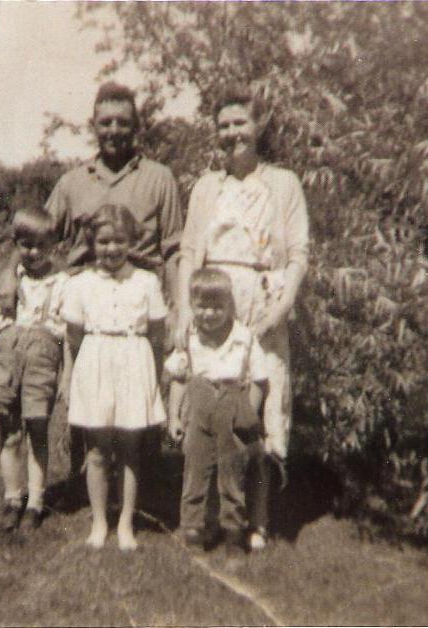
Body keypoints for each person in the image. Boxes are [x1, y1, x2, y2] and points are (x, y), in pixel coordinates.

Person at [0, 82, 183, 498]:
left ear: (136, 127)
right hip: (84, 302)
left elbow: (172, 250)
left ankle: (142, 481)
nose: (114, 130)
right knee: (83, 389)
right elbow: (37, 233)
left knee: (142, 390)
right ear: (93, 126)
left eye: (123, 122)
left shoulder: (160, 179)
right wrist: (9, 274)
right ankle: (85, 480)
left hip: (139, 297)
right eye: (105, 122)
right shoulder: (74, 181)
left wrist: (177, 310)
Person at [177, 86, 309, 547]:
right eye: (224, 125)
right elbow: (190, 252)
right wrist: (182, 314)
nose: (233, 132)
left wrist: (282, 305)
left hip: (262, 302)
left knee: (260, 407)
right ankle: (211, 515)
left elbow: (297, 254)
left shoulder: (284, 183)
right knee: (213, 406)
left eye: (241, 122)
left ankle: (258, 519)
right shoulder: (207, 186)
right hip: (213, 301)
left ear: (260, 126)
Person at [61, 204, 167, 550]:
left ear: (131, 242)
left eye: (119, 241)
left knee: (130, 450)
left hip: (134, 361)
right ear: (92, 243)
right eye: (104, 241)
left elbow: (156, 333)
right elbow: (74, 336)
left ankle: (125, 523)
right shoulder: (80, 284)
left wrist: (152, 377)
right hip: (95, 360)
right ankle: (99, 521)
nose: (112, 249)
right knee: (97, 449)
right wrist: (74, 374)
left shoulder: (146, 281)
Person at [166, 268, 269, 555]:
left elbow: (260, 381)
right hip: (198, 409)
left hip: (233, 409)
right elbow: (178, 379)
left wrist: (248, 416)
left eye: (217, 307)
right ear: (191, 306)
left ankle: (234, 533)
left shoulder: (244, 339)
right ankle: (193, 529)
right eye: (202, 306)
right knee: (195, 471)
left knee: (232, 473)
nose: (209, 314)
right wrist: (174, 416)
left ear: (229, 306)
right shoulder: (188, 339)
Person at [0, 209, 68, 532]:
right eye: (26, 245)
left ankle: (36, 502)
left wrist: (64, 377)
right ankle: (13, 498)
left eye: (41, 245)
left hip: (42, 361)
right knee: (10, 433)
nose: (33, 252)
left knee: (37, 432)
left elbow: (65, 337)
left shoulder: (60, 283)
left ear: (53, 246)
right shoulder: (9, 283)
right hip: (7, 357)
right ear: (17, 244)